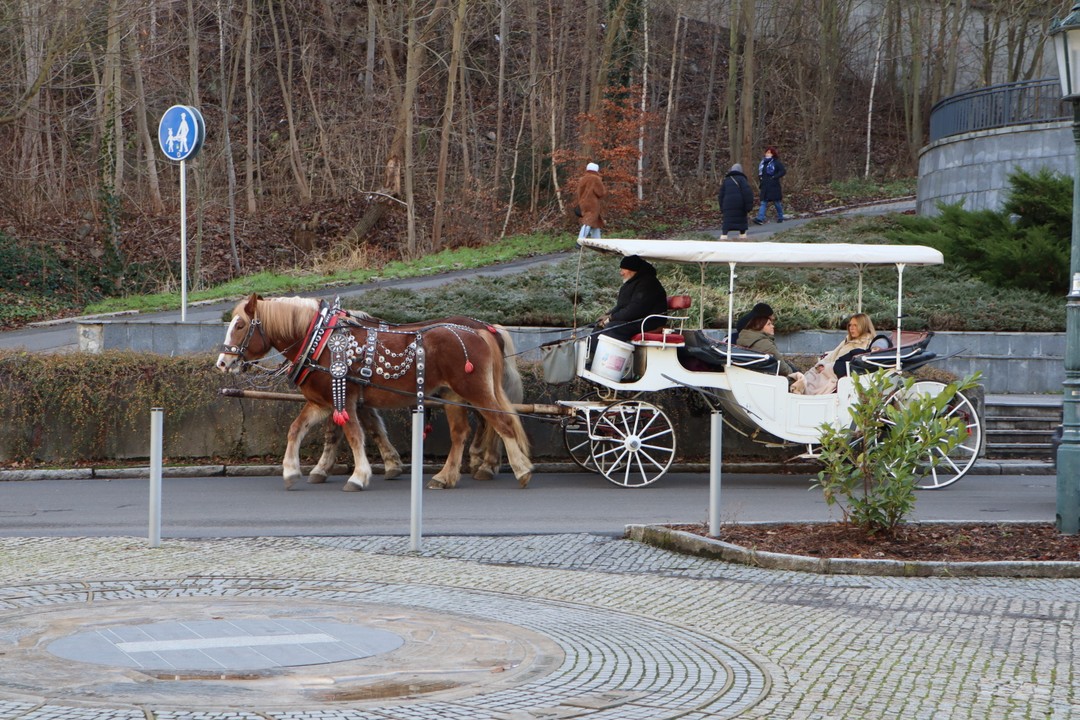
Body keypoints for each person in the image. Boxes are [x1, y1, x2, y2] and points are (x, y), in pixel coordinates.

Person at [590, 254, 668, 358]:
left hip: (649, 322)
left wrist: (611, 318)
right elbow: (621, 306)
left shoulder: (648, 283)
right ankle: (592, 358)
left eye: (623, 269)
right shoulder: (632, 283)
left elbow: (636, 309)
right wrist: (608, 315)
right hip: (637, 319)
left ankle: (607, 361)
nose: (621, 273)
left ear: (633, 269)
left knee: (612, 328)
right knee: (599, 325)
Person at [791, 313, 876, 395]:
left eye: (855, 325)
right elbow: (833, 354)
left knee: (810, 383)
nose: (851, 328)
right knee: (810, 374)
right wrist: (822, 364)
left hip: (836, 374)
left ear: (863, 326)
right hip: (828, 368)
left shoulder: (865, 345)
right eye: (850, 325)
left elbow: (848, 364)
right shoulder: (848, 340)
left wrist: (826, 368)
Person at [736, 314, 802, 380]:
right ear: (759, 326)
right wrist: (795, 374)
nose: (772, 326)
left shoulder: (743, 340)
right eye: (769, 324)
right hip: (766, 379)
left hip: (747, 376)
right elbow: (784, 369)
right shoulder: (765, 345)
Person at [717, 163, 754, 240]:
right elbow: (747, 193)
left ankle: (724, 235)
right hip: (740, 203)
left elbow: (721, 195)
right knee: (741, 220)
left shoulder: (726, 180)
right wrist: (749, 206)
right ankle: (742, 234)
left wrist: (722, 207)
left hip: (727, 204)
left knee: (727, 220)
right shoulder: (742, 179)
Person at [753, 146, 786, 225]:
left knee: (776, 202)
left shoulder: (776, 163)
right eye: (767, 152)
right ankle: (760, 218)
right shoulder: (763, 163)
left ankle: (781, 217)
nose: (767, 154)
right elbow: (761, 174)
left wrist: (775, 177)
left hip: (774, 186)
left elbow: (783, 171)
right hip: (765, 186)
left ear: (773, 154)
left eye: (769, 152)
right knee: (763, 202)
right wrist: (761, 181)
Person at [576, 162, 606, 239]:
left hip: (582, 203)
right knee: (588, 222)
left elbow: (579, 192)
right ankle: (580, 241)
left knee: (595, 223)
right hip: (592, 204)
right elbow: (601, 193)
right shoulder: (596, 179)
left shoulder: (582, 179)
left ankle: (597, 241)